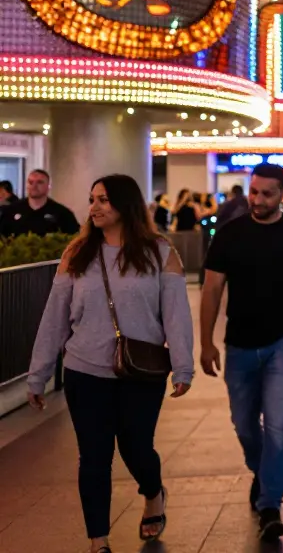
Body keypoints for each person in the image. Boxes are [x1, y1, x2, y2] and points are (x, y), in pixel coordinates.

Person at [26, 174, 194, 553]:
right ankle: (98, 541)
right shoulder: (78, 252)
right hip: (85, 371)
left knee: (137, 448)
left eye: (103, 200)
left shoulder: (160, 251)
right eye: (92, 200)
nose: (95, 207)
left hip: (141, 370)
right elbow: (55, 317)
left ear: (125, 204)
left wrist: (183, 366)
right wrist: (38, 374)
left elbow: (176, 316)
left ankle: (153, 492)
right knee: (94, 457)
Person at [199, 163, 283, 541]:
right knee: (244, 424)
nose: (257, 200)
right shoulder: (229, 235)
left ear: (282, 195)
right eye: (253, 192)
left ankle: (270, 503)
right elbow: (211, 290)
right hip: (239, 343)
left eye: (266, 194)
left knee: (276, 424)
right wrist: (206, 341)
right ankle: (263, 471)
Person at [0, 169, 79, 236]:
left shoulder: (62, 214)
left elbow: (74, 241)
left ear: (48, 186)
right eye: (30, 182)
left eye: (39, 182)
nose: (34, 186)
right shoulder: (10, 211)